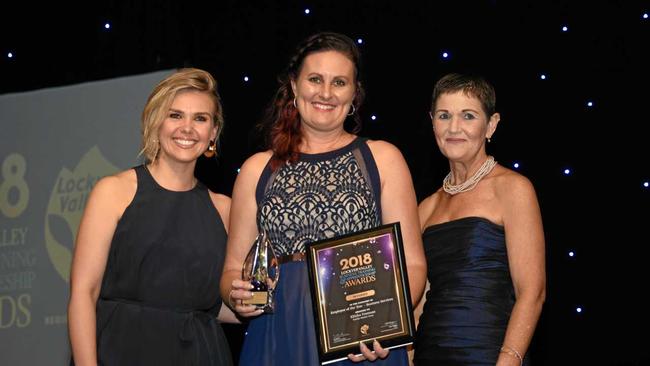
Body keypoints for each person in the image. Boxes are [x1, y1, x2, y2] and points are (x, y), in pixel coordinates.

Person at [220, 32, 427, 365]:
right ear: (293, 86)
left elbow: (412, 263)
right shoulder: (257, 168)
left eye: (340, 82)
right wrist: (236, 293)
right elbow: (232, 269)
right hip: (277, 335)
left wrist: (386, 325)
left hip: (360, 340)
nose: (326, 93)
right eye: (315, 79)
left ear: (354, 93)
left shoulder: (383, 158)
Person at [68, 68, 236, 366]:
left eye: (200, 118)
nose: (187, 128)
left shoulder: (224, 208)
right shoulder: (114, 192)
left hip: (201, 355)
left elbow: (217, 306)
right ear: (156, 122)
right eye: (175, 115)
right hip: (121, 351)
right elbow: (84, 292)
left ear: (213, 133)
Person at [412, 73, 546, 365]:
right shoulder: (425, 208)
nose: (454, 127)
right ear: (432, 121)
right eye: (444, 115)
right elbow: (419, 300)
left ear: (492, 124)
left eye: (468, 116)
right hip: (430, 356)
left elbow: (532, 292)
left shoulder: (513, 189)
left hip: (488, 354)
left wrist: (508, 361)